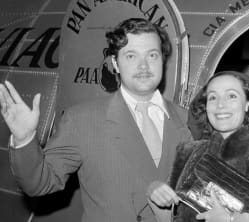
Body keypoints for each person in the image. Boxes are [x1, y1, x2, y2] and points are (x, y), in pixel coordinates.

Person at [0, 18, 192, 222]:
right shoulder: (82, 120)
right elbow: (40, 183)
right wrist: (24, 140)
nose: (143, 65)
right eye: (131, 56)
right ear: (116, 64)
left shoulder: (187, 120)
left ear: (162, 59)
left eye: (152, 55)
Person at [149, 71, 249, 222]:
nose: (220, 105)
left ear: (248, 104)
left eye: (231, 96)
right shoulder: (188, 152)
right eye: (212, 98)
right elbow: (172, 216)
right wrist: (154, 193)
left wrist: (234, 219)